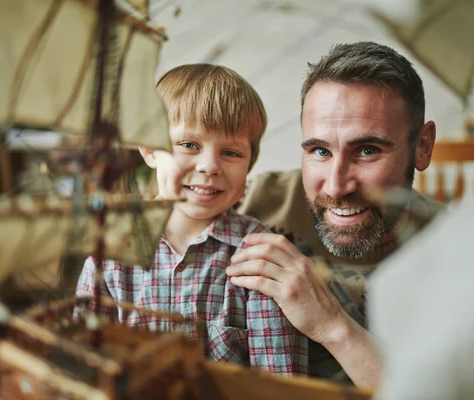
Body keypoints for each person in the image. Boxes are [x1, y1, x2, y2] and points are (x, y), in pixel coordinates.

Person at [227, 42, 474, 398]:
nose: (337, 186)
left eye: (367, 150)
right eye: (320, 151)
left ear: (422, 146)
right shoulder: (251, 201)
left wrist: (334, 327)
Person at [76, 64, 308, 375]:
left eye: (231, 152)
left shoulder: (261, 260)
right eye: (189, 145)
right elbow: (82, 365)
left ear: (250, 162)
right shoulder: (110, 254)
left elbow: (279, 386)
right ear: (149, 149)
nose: (210, 166)